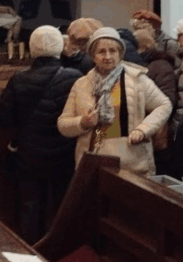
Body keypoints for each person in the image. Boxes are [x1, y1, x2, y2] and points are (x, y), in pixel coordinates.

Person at [0, 26, 81, 243]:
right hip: (64, 153)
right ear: (59, 46)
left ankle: (29, 252)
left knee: (30, 206)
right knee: (60, 206)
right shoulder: (74, 77)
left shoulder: (19, 79)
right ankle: (57, 251)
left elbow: (5, 118)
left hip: (29, 153)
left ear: (32, 48)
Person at [57, 27, 172, 175]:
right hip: (93, 163)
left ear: (120, 54)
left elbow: (164, 105)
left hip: (132, 163)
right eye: (101, 51)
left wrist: (143, 130)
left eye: (113, 51)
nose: (107, 56)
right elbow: (63, 124)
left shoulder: (137, 80)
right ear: (93, 56)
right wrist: (83, 122)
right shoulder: (81, 84)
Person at [133, 27, 178, 173]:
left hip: (157, 131)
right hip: (148, 131)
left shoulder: (159, 65)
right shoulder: (148, 65)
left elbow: (167, 99)